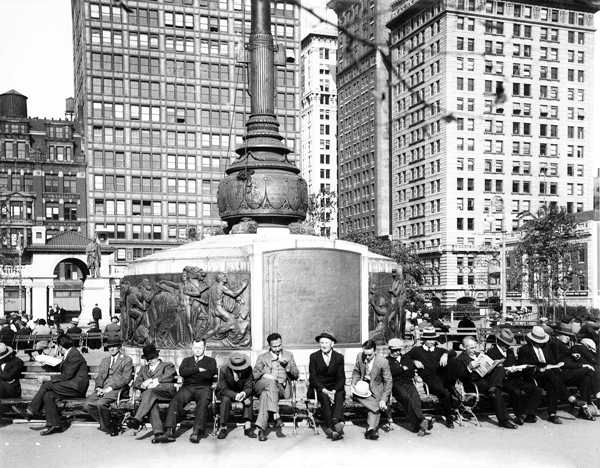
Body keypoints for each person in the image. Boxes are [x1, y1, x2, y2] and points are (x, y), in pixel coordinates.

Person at [518, 325, 594, 424]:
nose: (541, 344)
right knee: (551, 375)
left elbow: (552, 361)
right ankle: (570, 399)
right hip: (535, 375)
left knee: (554, 381)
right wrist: (540, 368)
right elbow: (523, 366)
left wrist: (557, 365)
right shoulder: (525, 349)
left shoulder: (546, 347)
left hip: (551, 374)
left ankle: (552, 414)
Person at [447, 336, 517, 429]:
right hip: (473, 383)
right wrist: (469, 368)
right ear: (464, 347)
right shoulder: (460, 359)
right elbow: (461, 377)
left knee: (500, 368)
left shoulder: (479, 354)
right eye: (471, 348)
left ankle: (494, 388)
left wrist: (493, 364)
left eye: (475, 347)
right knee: (496, 391)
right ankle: (503, 420)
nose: (474, 350)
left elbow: (488, 369)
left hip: (486, 379)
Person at [25, 335, 89, 435]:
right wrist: (47, 362)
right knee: (48, 395)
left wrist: (48, 378)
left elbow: (67, 375)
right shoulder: (71, 353)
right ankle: (54, 424)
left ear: (60, 346)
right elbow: (65, 368)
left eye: (57, 346)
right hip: (71, 386)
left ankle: (32, 410)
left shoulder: (74, 354)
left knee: (47, 385)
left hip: (76, 388)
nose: (57, 349)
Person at [159, 338, 218, 444]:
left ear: (205, 348)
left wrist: (191, 373)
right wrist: (198, 370)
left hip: (203, 387)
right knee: (175, 401)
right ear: (192, 348)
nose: (198, 350)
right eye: (196, 347)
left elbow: (209, 374)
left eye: (200, 347)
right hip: (187, 387)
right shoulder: (186, 360)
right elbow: (182, 372)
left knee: (203, 403)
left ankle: (196, 432)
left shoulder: (211, 361)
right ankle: (169, 431)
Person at [487, 329, 542, 424]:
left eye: (508, 344)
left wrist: (522, 367)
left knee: (537, 390)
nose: (507, 346)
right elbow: (491, 370)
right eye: (505, 344)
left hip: (514, 378)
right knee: (516, 391)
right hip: (501, 381)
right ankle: (520, 415)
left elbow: (514, 365)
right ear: (499, 342)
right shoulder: (491, 352)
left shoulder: (510, 352)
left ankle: (526, 414)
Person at [125, 344, 178, 443]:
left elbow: (169, 376)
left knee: (149, 393)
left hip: (166, 393)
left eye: (151, 358)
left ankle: (137, 419)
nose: (149, 361)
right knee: (151, 403)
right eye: (147, 358)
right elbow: (136, 383)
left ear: (157, 357)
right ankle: (158, 434)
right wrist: (143, 384)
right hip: (150, 397)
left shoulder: (167, 365)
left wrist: (153, 381)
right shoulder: (144, 369)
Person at [253, 332, 299, 441]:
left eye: (279, 345)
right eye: (274, 346)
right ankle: (276, 415)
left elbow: (296, 374)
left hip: (282, 389)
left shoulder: (288, 355)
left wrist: (287, 367)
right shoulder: (262, 357)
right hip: (263, 385)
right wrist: (265, 375)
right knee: (271, 382)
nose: (277, 348)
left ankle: (261, 429)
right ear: (269, 346)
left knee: (265, 395)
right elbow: (254, 374)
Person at [406, 327, 455, 427]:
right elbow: (405, 358)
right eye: (429, 339)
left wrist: (445, 354)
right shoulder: (417, 350)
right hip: (429, 380)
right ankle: (449, 418)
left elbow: (453, 352)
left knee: (452, 364)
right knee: (445, 392)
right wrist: (414, 361)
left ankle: (450, 407)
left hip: (441, 378)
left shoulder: (439, 350)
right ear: (424, 340)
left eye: (433, 339)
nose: (432, 342)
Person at [86, 337, 134, 435]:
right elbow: (100, 376)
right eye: (109, 347)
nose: (111, 349)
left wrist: (109, 389)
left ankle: (108, 426)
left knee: (100, 404)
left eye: (114, 347)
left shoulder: (126, 360)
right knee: (87, 404)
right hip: (103, 388)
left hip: (117, 389)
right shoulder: (105, 360)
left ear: (119, 347)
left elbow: (126, 379)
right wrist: (98, 387)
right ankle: (109, 424)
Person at [351, 339, 393, 440]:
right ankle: (376, 416)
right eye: (365, 354)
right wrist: (353, 384)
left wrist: (383, 399)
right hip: (362, 387)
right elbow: (356, 372)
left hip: (377, 389)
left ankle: (370, 429)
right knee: (376, 405)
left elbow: (388, 381)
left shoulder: (383, 362)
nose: (367, 357)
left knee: (376, 402)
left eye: (369, 355)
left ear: (375, 351)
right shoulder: (360, 356)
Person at [386, 338, 429, 436]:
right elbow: (390, 373)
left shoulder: (406, 358)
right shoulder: (387, 360)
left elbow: (410, 372)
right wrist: (402, 368)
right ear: (390, 350)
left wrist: (400, 369)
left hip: (408, 382)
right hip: (395, 384)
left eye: (399, 350)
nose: (397, 352)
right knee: (406, 398)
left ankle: (418, 425)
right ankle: (422, 421)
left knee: (416, 399)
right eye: (394, 350)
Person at [308, 332, 345, 441]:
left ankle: (334, 421)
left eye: (326, 343)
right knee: (324, 398)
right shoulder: (314, 357)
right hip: (320, 388)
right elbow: (313, 378)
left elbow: (341, 378)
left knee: (340, 395)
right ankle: (332, 427)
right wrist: (324, 390)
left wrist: (333, 391)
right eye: (321, 343)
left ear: (332, 344)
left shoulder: (339, 357)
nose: (323, 345)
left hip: (335, 387)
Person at [215, 352, 256, 439]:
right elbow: (223, 388)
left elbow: (249, 387)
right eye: (236, 368)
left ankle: (247, 426)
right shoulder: (223, 370)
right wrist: (235, 395)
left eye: (241, 368)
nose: (239, 370)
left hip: (241, 392)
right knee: (225, 400)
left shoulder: (248, 369)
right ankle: (223, 427)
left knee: (249, 397)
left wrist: (244, 394)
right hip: (226, 393)